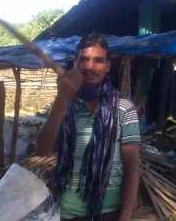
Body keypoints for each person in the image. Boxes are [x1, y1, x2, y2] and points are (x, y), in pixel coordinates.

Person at [36, 32, 141, 221]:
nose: (90, 67)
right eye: (84, 59)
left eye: (98, 60)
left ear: (108, 66)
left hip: (110, 211)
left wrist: (125, 215)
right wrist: (62, 99)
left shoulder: (124, 107)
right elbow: (42, 149)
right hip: (69, 211)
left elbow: (132, 167)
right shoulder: (65, 105)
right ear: (75, 63)